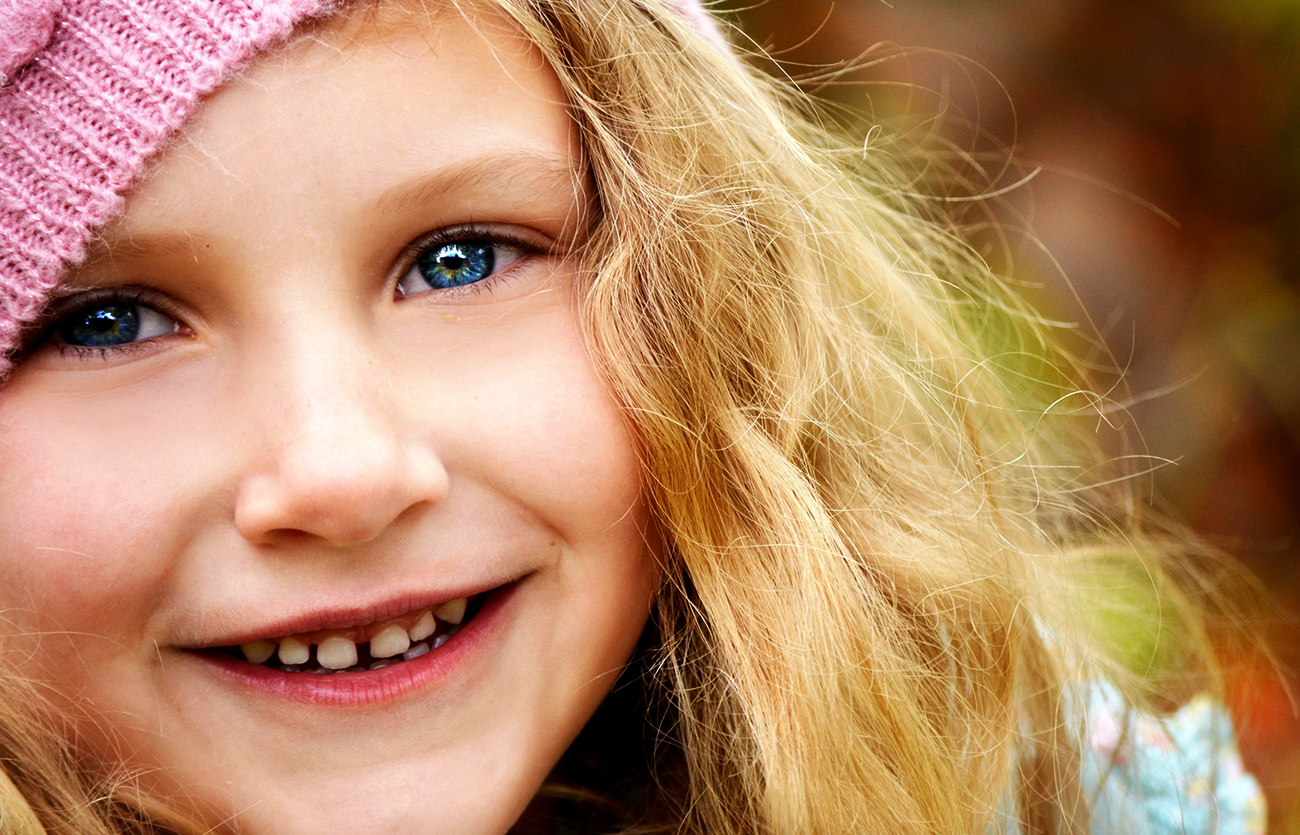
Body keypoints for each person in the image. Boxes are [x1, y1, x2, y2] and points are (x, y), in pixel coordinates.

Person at [0, 0, 1269, 833]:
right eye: (104, 321)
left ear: (707, 314)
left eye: (460, 259)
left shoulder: (1017, 799)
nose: (344, 469)